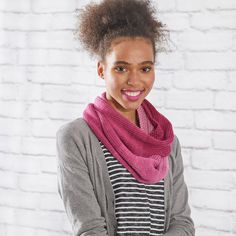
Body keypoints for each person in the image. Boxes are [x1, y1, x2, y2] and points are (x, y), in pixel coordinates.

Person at [56, 0, 195, 235]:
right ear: (102, 70)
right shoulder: (76, 138)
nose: (134, 81)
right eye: (121, 68)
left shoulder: (167, 142)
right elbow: (90, 229)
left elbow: (182, 223)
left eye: (145, 68)